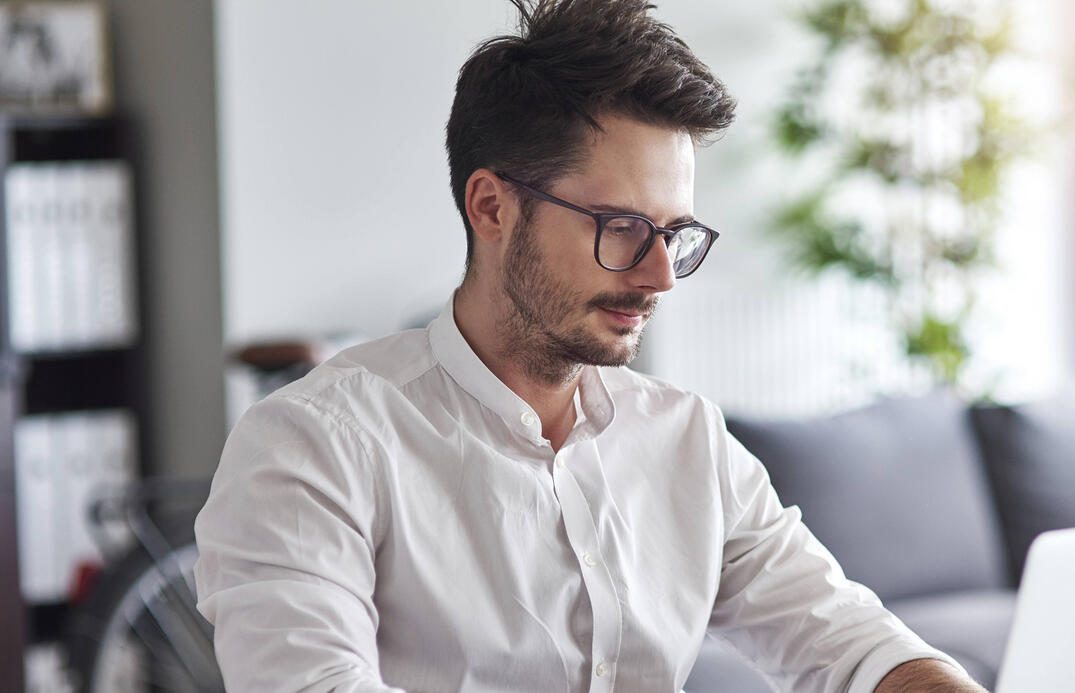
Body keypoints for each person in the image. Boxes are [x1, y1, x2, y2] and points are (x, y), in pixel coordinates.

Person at [193, 1, 987, 691]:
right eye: (620, 228)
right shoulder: (310, 445)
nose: (659, 277)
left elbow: (847, 643)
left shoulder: (686, 442)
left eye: (674, 235)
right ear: (491, 206)